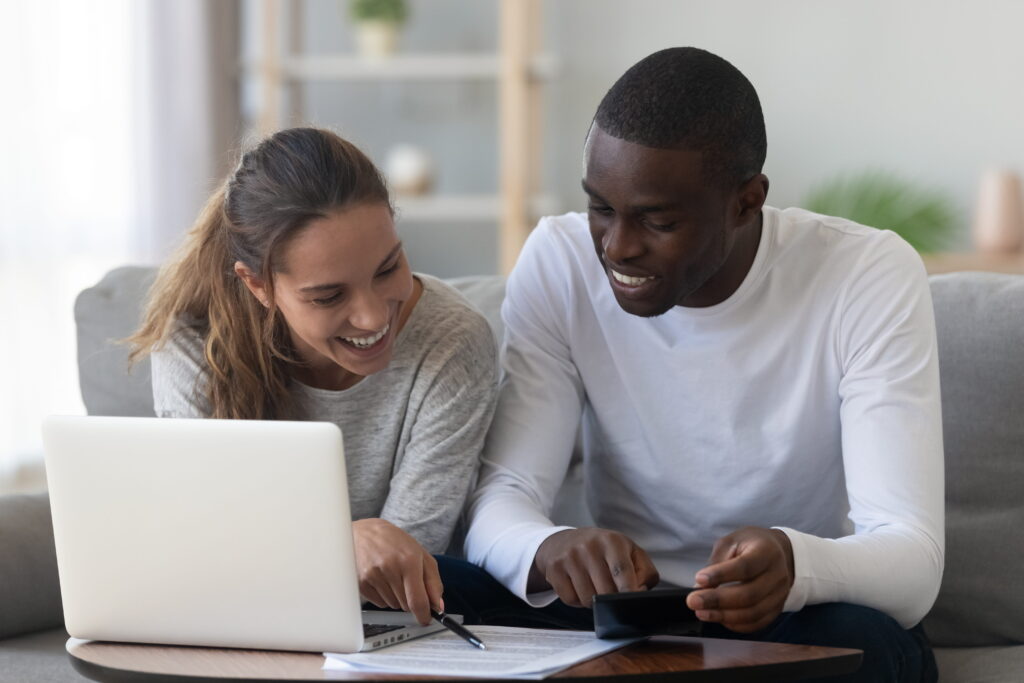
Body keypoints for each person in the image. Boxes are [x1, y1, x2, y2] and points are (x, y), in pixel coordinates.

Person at [464, 48, 942, 682]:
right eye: (601, 208)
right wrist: (546, 547)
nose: (617, 247)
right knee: (437, 593)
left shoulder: (865, 273)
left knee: (869, 647)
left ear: (747, 202)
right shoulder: (560, 262)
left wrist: (796, 565)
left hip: (786, 618)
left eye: (657, 220)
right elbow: (503, 498)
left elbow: (912, 559)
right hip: (618, 614)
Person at [128, 127, 499, 627]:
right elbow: (206, 543)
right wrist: (336, 542)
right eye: (328, 296)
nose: (372, 317)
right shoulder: (195, 343)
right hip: (238, 622)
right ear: (257, 285)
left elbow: (403, 565)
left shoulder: (452, 341)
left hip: (387, 630)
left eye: (388, 268)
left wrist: (295, 544)